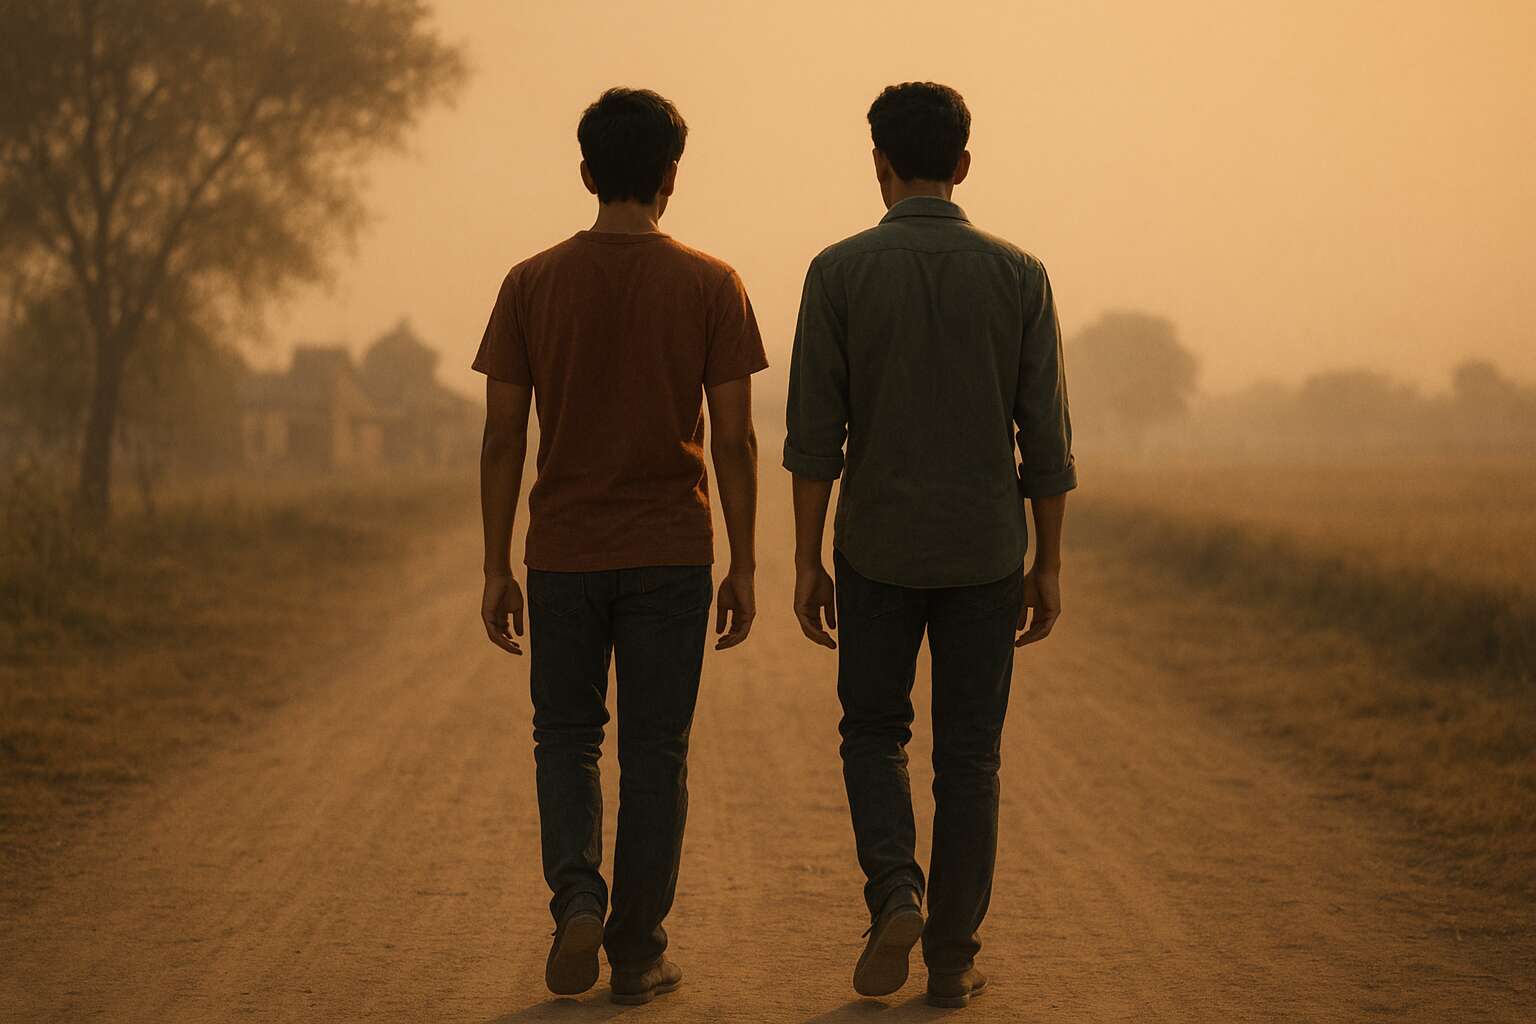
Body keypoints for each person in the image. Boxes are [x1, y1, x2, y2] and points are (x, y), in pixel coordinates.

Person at [783, 81, 1076, 1008]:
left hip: (875, 548)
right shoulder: (1021, 275)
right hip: (987, 550)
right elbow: (1049, 443)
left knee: (873, 732)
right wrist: (1050, 561)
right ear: (962, 164)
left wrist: (805, 557)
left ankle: (895, 893)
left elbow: (812, 437)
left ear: (878, 163)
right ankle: (950, 959)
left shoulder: (836, 273)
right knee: (970, 756)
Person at [475, 87, 767, 1005]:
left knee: (564, 739)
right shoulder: (712, 284)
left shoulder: (530, 282)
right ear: (671, 174)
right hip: (671, 552)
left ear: (587, 172)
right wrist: (747, 562)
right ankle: (638, 952)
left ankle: (575, 903)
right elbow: (734, 440)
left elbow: (502, 438)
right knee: (657, 752)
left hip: (561, 551)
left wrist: (494, 564)